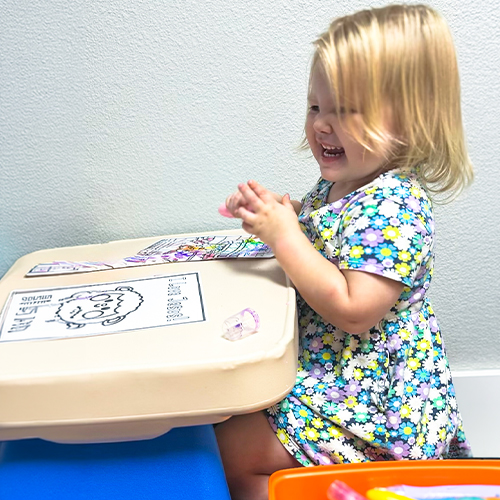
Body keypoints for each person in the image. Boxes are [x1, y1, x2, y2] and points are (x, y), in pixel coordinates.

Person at [215, 4, 473, 500]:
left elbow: (355, 309)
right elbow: (325, 238)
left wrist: (285, 236)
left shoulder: (396, 205)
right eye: (316, 107)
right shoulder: (347, 183)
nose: (323, 126)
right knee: (225, 417)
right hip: (331, 370)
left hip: (371, 402)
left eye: (347, 111)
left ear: (410, 119)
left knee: (233, 456)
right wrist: (277, 212)